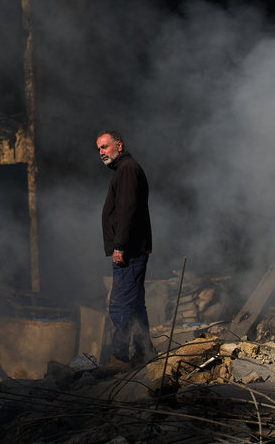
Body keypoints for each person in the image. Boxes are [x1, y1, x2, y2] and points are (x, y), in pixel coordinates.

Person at [94, 130, 156, 377]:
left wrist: (119, 245)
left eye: (105, 147)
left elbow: (127, 209)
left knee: (121, 306)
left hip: (129, 250)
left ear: (118, 145)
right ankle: (145, 351)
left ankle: (120, 357)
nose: (101, 152)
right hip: (131, 248)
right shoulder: (125, 169)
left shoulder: (128, 169)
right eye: (99, 149)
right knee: (135, 304)